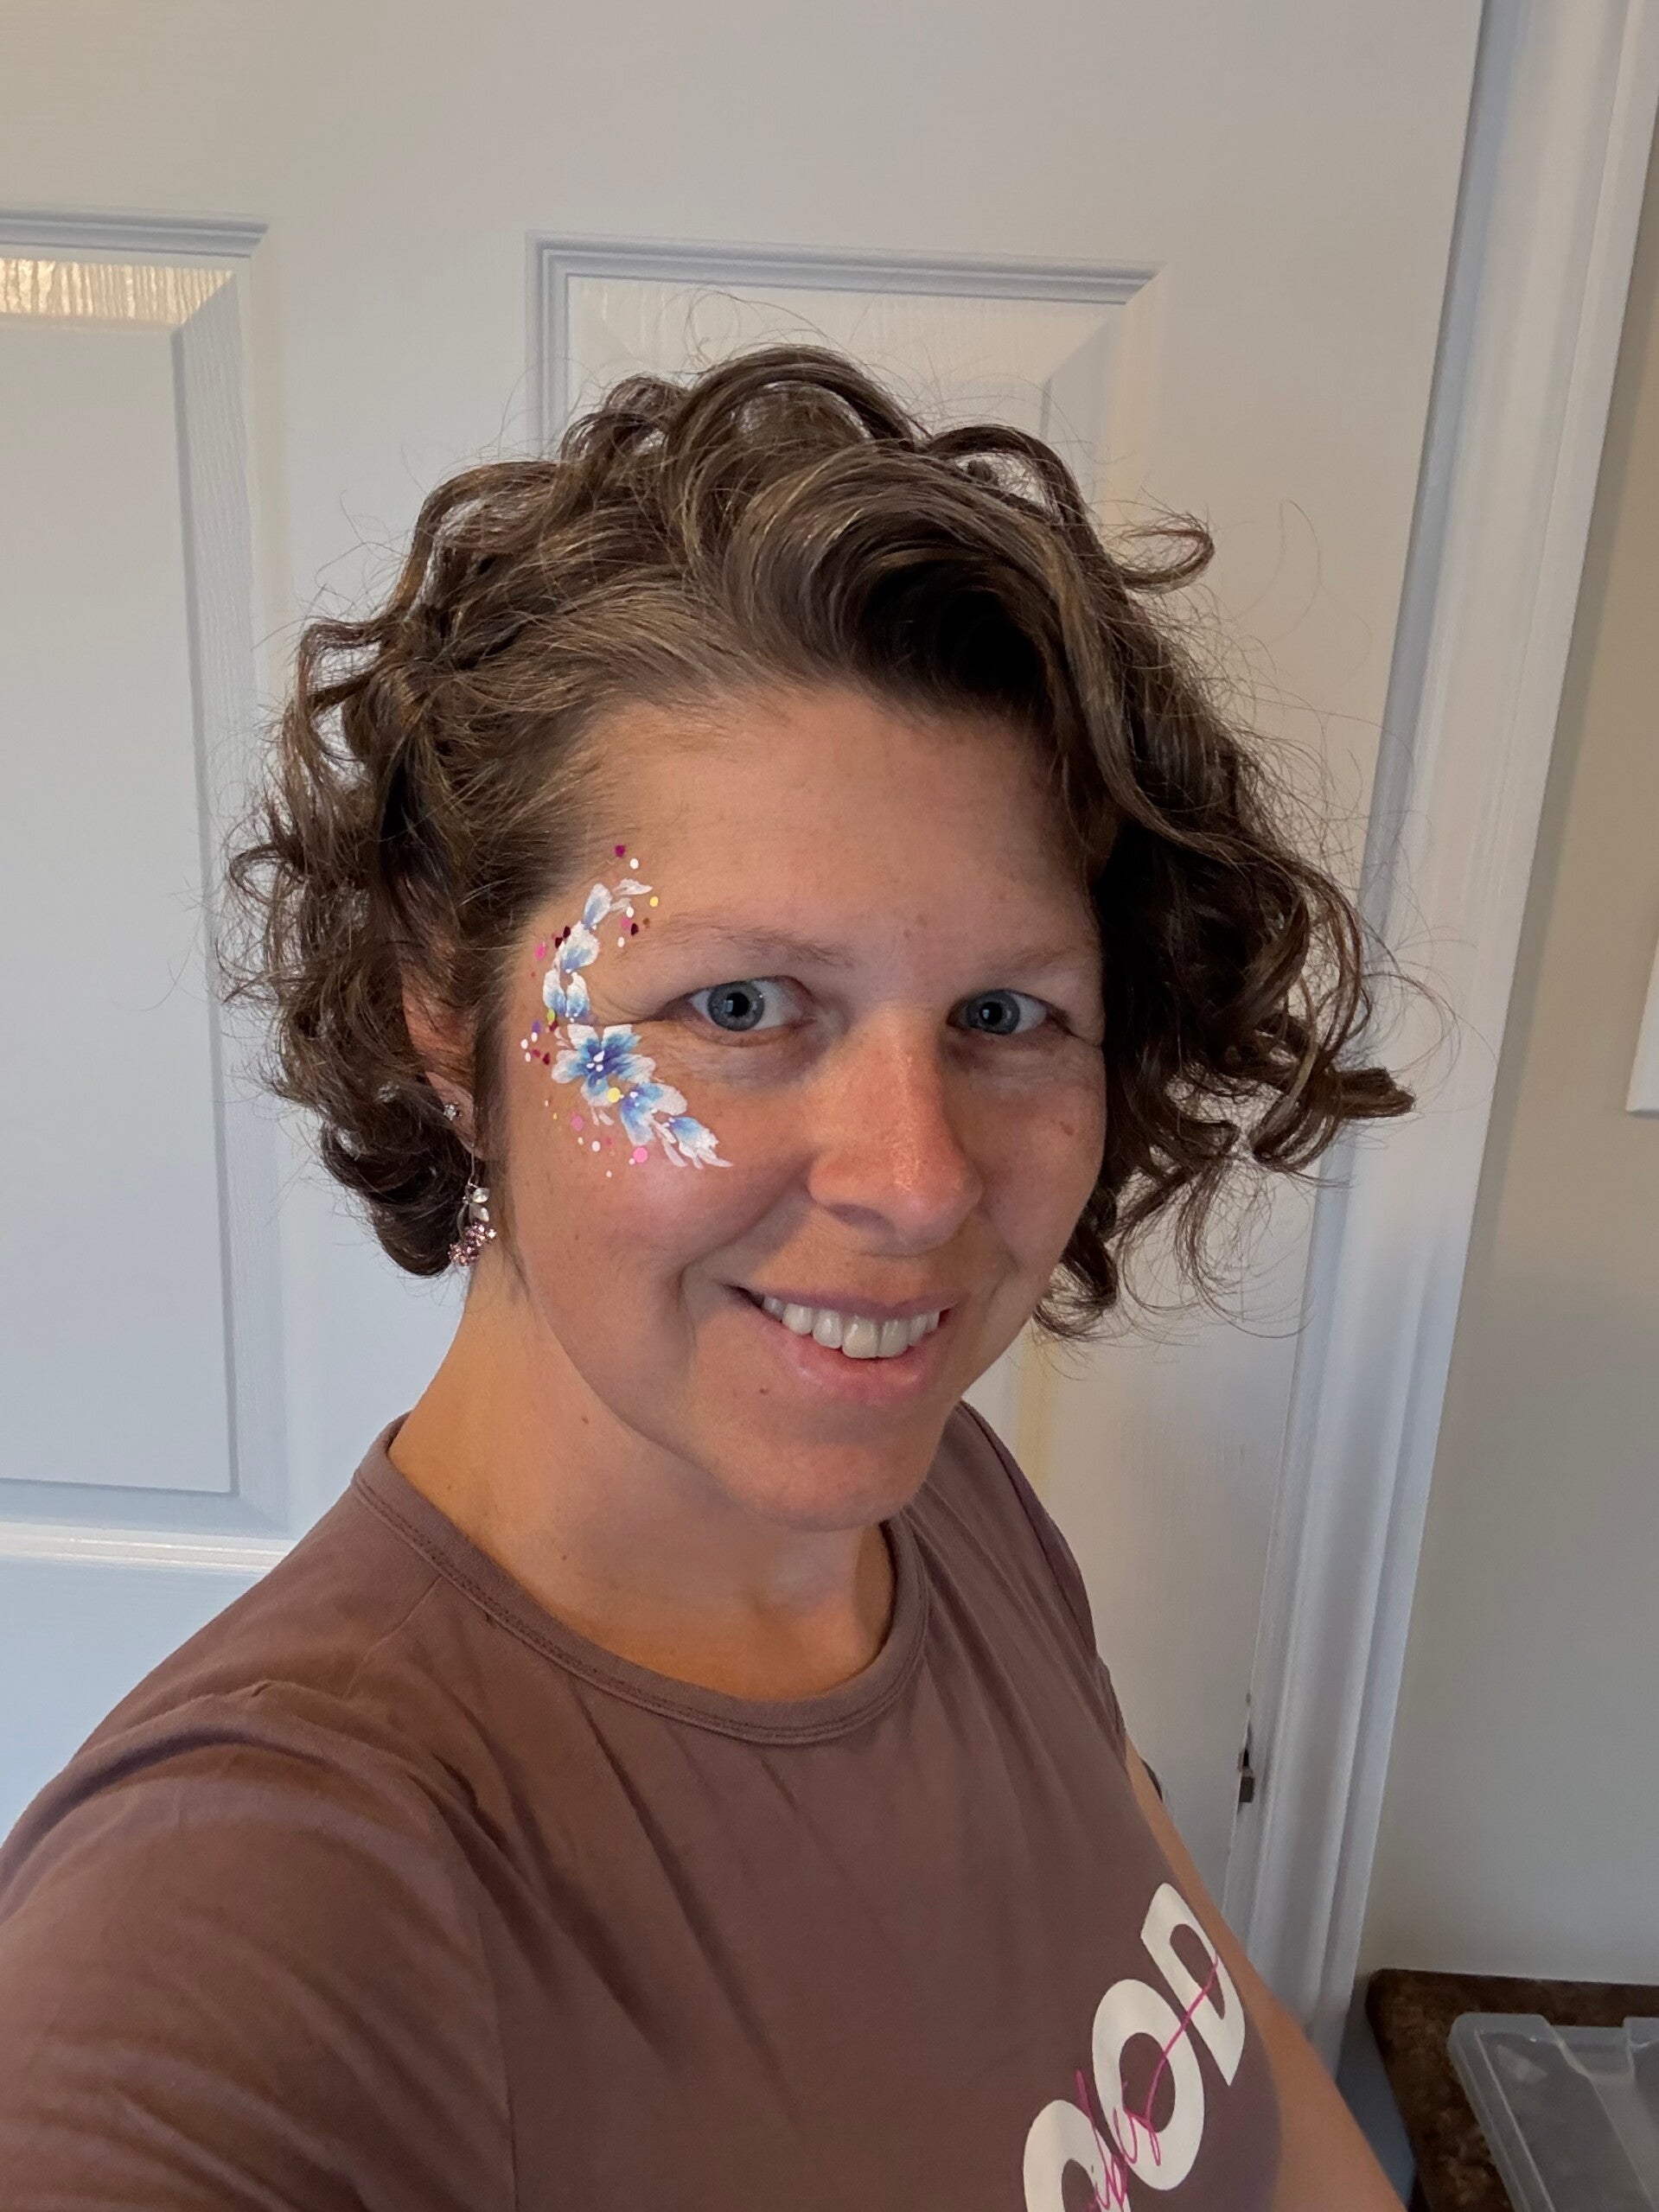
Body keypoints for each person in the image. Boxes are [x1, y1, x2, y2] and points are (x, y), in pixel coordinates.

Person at [0, 347, 1410, 2208]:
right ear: (450, 1022)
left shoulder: (947, 1507)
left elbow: (1225, 2043)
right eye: (740, 1005)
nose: (919, 1184)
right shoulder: (258, 1903)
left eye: (1006, 1014)